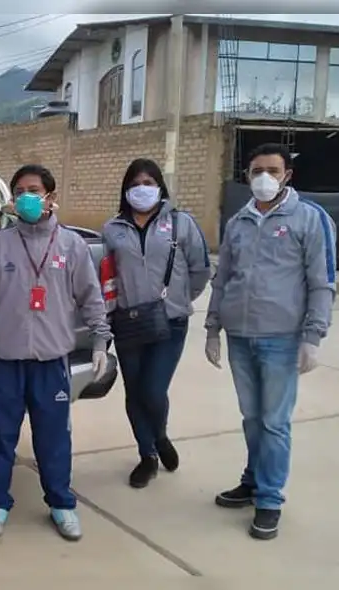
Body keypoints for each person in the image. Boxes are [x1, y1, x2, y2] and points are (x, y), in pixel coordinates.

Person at [0, 164, 111, 542]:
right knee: (0, 438)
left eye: (34, 190)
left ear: (50, 197)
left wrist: (100, 340)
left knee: (54, 440)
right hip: (6, 362)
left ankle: (61, 503)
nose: (26, 197)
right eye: (19, 192)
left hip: (51, 364)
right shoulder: (0, 245)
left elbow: (91, 298)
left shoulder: (71, 246)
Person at [205, 143, 336, 541]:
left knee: (274, 422)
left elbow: (322, 281)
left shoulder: (309, 218)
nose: (264, 177)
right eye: (256, 170)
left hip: (281, 338)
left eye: (273, 171)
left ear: (287, 175)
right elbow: (222, 279)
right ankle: (253, 480)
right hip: (240, 337)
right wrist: (212, 328)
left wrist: (313, 336)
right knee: (252, 417)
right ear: (247, 175)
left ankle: (270, 499)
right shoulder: (238, 222)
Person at [101, 158, 210, 489]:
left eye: (148, 183)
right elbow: (106, 277)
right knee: (134, 392)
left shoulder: (180, 223)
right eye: (135, 184)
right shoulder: (113, 229)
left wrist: (179, 300)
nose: (142, 189)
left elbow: (200, 269)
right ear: (125, 190)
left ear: (160, 187)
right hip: (128, 321)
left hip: (170, 323)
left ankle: (159, 436)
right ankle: (147, 454)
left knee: (153, 389)